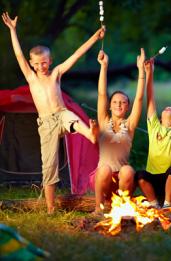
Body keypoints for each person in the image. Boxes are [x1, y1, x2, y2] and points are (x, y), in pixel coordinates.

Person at [2, 12, 105, 213]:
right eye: (37, 63)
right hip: (46, 125)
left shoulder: (56, 74)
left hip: (61, 114)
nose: (41, 66)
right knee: (49, 167)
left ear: (50, 61)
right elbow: (18, 56)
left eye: (44, 62)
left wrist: (95, 37)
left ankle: (89, 133)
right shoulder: (32, 78)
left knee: (71, 117)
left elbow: (76, 55)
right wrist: (13, 30)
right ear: (32, 64)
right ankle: (50, 208)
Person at [94, 49, 145, 213]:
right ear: (110, 105)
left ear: (127, 107)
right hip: (103, 178)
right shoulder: (103, 121)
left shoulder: (129, 125)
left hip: (122, 181)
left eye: (123, 102)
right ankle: (98, 207)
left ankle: (122, 208)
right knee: (105, 169)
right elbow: (102, 93)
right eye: (115, 102)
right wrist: (104, 66)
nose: (118, 105)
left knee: (128, 170)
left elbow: (139, 98)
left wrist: (141, 71)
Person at [136, 60, 171, 209]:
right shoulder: (154, 126)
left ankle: (167, 204)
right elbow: (150, 98)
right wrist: (150, 73)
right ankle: (154, 204)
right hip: (153, 178)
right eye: (166, 108)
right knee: (140, 175)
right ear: (159, 118)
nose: (169, 108)